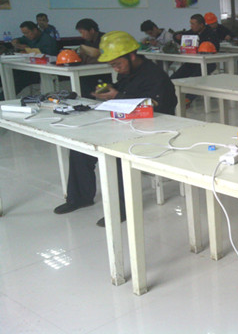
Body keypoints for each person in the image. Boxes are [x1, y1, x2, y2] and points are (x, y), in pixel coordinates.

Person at [52, 31, 177, 227]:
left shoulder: (155, 76)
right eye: (112, 65)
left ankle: (122, 207)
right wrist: (108, 91)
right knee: (80, 147)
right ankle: (80, 197)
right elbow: (125, 90)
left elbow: (156, 107)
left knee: (116, 154)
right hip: (126, 124)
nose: (116, 68)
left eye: (118, 64)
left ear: (132, 56)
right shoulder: (129, 72)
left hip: (153, 128)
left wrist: (117, 96)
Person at [170, 14, 220, 79]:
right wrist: (178, 37)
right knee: (174, 78)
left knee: (193, 79)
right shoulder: (192, 32)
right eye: (191, 24)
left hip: (208, 62)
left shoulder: (211, 34)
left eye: (193, 24)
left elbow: (216, 48)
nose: (191, 26)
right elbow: (181, 35)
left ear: (201, 25)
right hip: (193, 61)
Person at [75, 18, 112, 97]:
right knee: (83, 79)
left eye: (82, 32)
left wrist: (83, 47)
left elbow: (97, 53)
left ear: (91, 30)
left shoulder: (105, 39)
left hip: (107, 70)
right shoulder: (88, 41)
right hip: (92, 70)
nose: (82, 36)